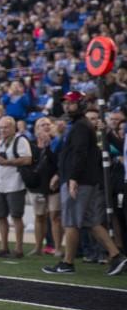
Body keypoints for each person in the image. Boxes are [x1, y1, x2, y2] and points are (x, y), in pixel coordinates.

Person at [44, 93, 127, 275]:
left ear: (79, 104)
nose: (67, 107)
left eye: (71, 104)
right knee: (91, 222)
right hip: (83, 180)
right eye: (66, 103)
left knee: (71, 222)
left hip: (79, 181)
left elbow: (80, 154)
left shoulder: (81, 126)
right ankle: (116, 256)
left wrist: (72, 178)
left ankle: (67, 263)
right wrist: (61, 174)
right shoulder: (79, 125)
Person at [0, 116, 33, 258]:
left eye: (6, 127)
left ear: (13, 127)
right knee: (0, 216)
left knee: (16, 217)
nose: (2, 130)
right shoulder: (1, 142)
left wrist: (7, 162)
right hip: (1, 184)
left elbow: (27, 159)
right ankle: (3, 247)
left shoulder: (20, 140)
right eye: (1, 127)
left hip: (15, 183)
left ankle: (19, 249)